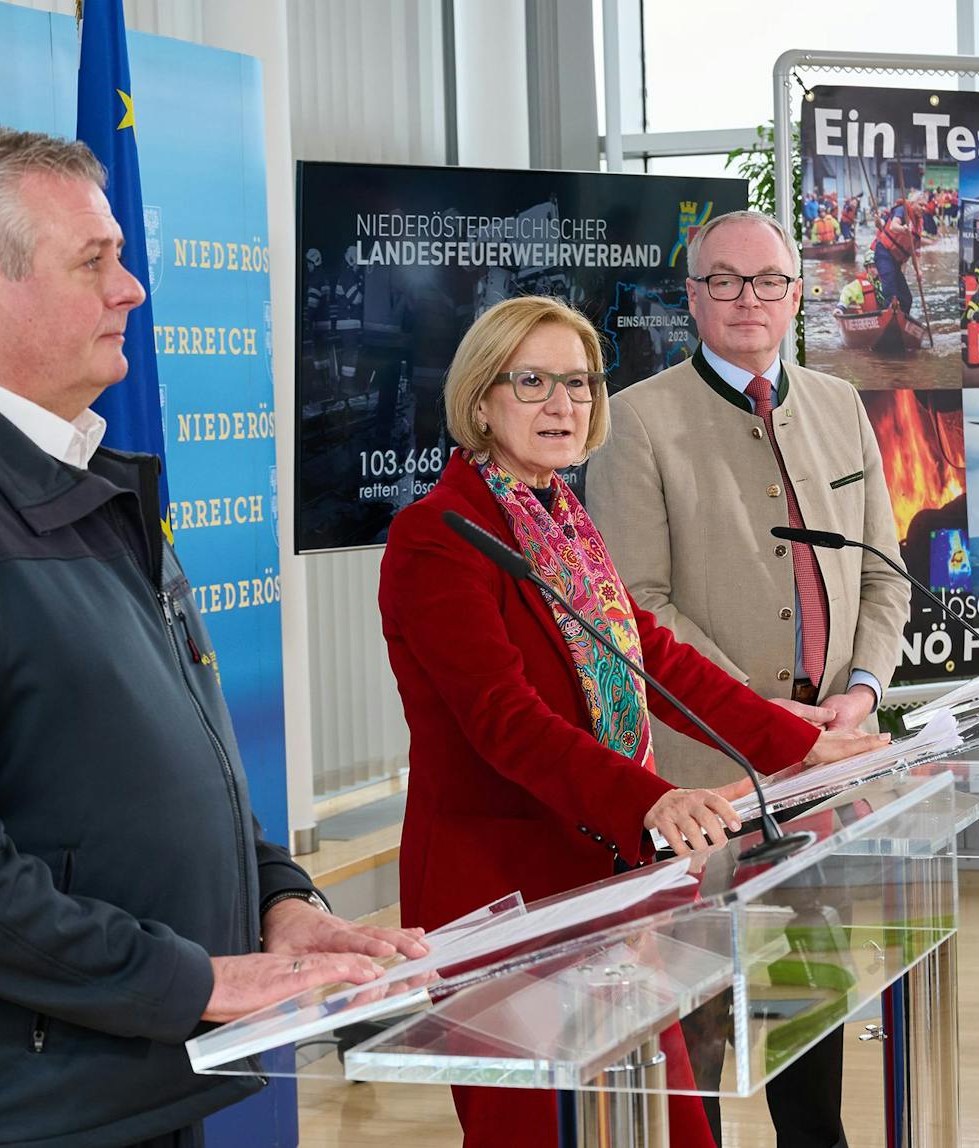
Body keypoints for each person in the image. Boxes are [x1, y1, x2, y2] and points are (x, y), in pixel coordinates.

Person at [0, 126, 428, 1148]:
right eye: (96, 261)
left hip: (138, 1076)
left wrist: (281, 902)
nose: (131, 290)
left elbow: (170, 772)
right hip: (17, 1113)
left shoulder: (79, 482)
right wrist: (192, 978)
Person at [378, 293, 888, 1148]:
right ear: (480, 400)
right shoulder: (438, 537)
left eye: (578, 384)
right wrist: (650, 800)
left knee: (666, 1123)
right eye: (532, 381)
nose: (562, 405)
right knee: (537, 1133)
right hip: (503, 888)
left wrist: (802, 745)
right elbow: (505, 719)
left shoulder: (560, 520)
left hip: (604, 873)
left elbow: (649, 656)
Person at [588, 209, 912, 1148]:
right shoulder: (638, 422)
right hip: (703, 783)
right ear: (692, 298)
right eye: (723, 281)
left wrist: (862, 686)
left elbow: (883, 573)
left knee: (807, 1001)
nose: (747, 300)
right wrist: (758, 713)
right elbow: (636, 610)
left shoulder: (842, 405)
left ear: (797, 294)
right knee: (695, 1025)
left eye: (768, 281)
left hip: (825, 773)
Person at [872, 198, 916, 315]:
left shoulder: (915, 222)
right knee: (890, 293)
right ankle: (887, 313)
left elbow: (909, 253)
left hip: (895, 259)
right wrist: (877, 220)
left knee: (906, 298)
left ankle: (901, 318)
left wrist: (917, 271)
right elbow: (884, 225)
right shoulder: (899, 212)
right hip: (881, 251)